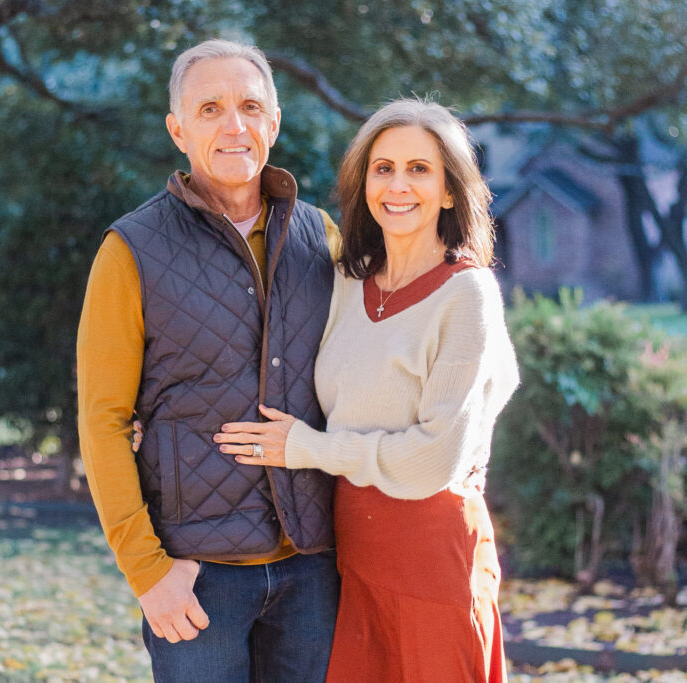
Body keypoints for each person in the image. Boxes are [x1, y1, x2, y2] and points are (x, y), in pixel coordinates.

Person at [214, 98, 519, 682]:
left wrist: (308, 448)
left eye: (419, 169)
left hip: (433, 556)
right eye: (383, 168)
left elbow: (434, 459)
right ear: (364, 184)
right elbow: (269, 361)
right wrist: (161, 414)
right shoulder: (345, 284)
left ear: (451, 192)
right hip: (349, 554)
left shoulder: (467, 295)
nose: (398, 185)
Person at [76, 39, 341, 682]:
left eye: (251, 106)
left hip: (316, 570)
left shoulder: (322, 238)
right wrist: (149, 574)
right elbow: (103, 421)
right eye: (211, 108)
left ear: (274, 123)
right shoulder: (129, 250)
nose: (234, 125)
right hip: (196, 580)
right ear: (178, 129)